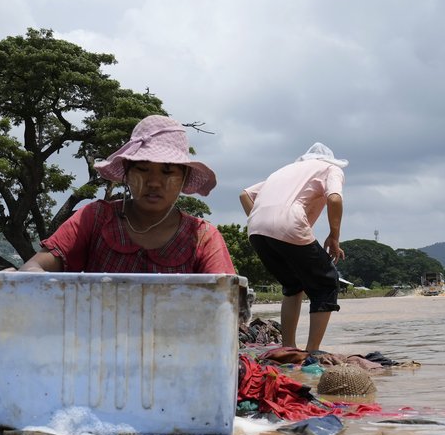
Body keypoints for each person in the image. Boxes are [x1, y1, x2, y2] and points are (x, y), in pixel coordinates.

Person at [19, 116, 237, 274]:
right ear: (127, 174)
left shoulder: (203, 237)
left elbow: (225, 298)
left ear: (183, 178)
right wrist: (29, 274)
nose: (153, 182)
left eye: (168, 171)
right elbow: (37, 264)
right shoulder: (95, 218)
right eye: (142, 169)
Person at [239, 143, 347, 358]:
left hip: (256, 229)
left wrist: (262, 220)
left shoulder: (285, 171)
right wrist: (334, 236)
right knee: (326, 282)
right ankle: (313, 351)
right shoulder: (330, 168)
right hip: (289, 224)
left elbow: (245, 194)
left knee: (293, 285)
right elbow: (334, 198)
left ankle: (287, 348)